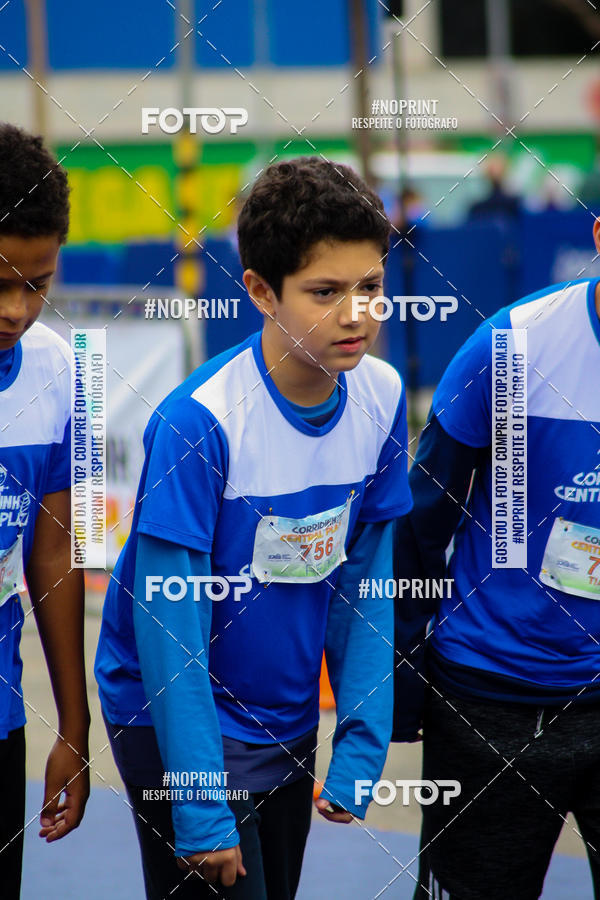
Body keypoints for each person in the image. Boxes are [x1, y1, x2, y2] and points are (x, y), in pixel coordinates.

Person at [95, 156, 412, 899]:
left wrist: (361, 747)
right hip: (177, 718)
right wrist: (201, 809)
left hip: (287, 713)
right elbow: (168, 624)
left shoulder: (384, 394)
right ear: (261, 292)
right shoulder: (197, 424)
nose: (356, 314)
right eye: (325, 293)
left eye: (370, 287)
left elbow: (367, 582)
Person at [393, 217, 600, 899]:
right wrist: (400, 681)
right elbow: (421, 520)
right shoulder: (513, 346)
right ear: (598, 237)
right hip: (490, 701)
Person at [0, 123, 90, 896]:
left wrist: (74, 727)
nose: (17, 309)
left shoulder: (58, 370)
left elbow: (52, 556)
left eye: (38, 282)